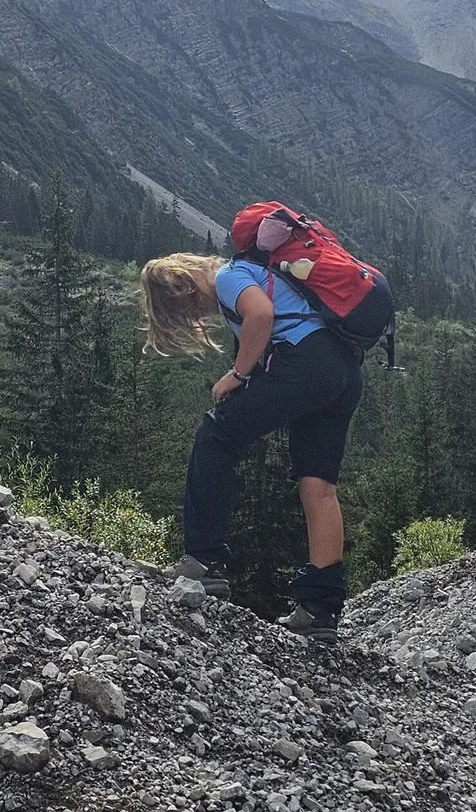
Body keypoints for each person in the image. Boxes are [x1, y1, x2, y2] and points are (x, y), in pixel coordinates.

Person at [140, 249, 364, 642]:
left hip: (307, 364)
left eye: (192, 305)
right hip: (342, 368)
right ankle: (320, 609)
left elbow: (261, 315)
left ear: (186, 285)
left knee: (216, 435)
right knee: (318, 484)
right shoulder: (254, 273)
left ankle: (203, 560)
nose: (201, 313)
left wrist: (238, 375)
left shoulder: (229, 276)